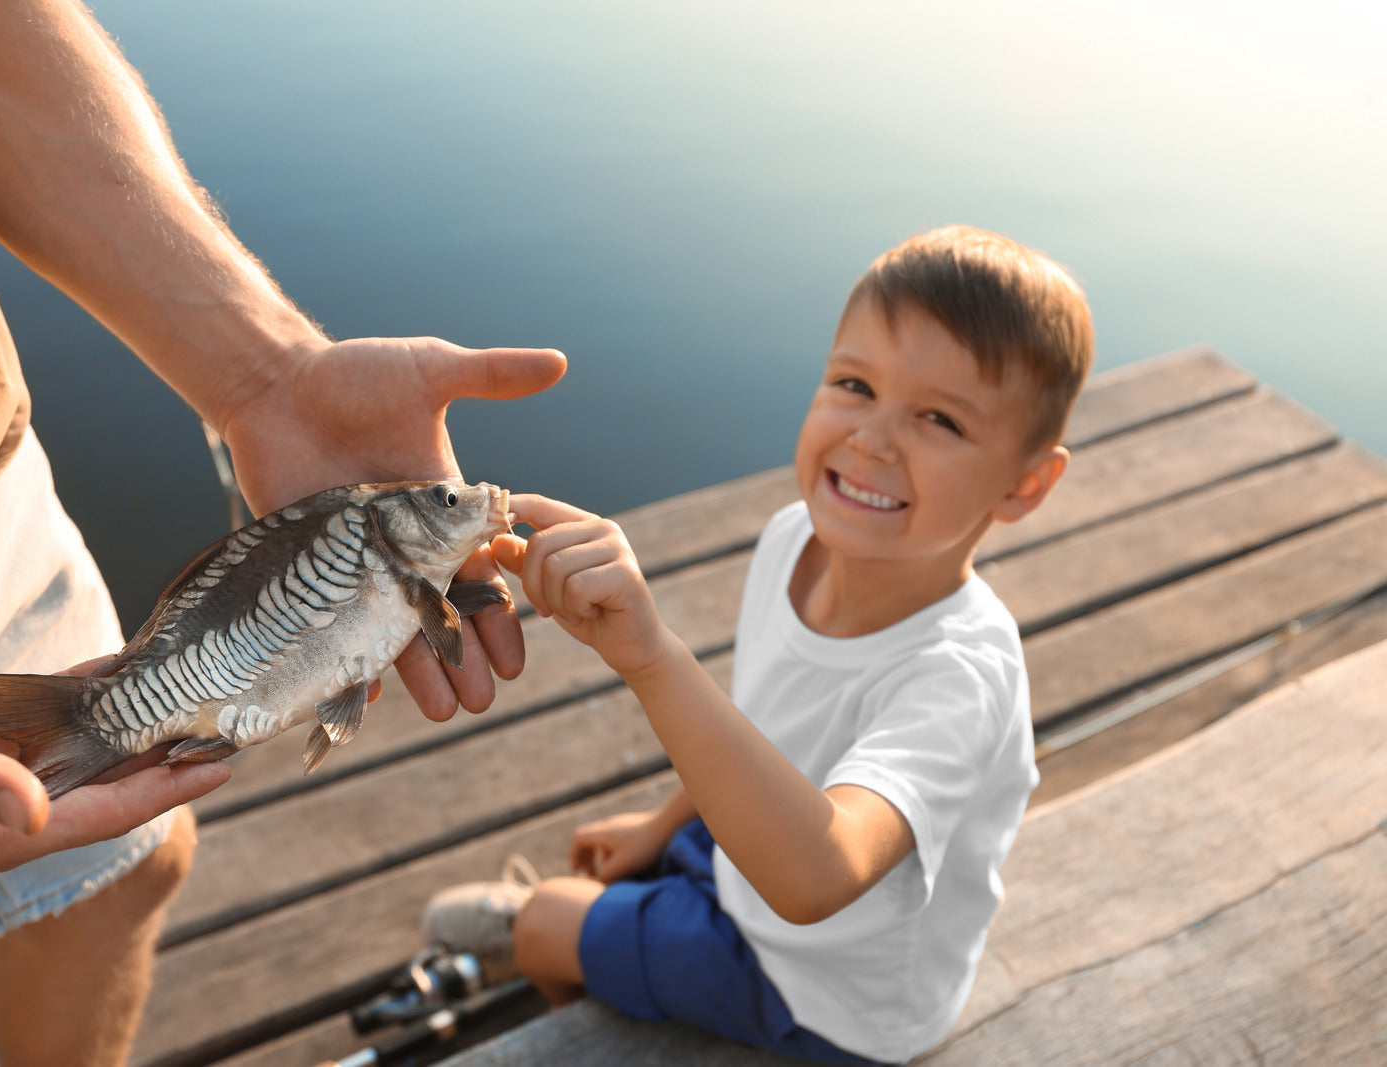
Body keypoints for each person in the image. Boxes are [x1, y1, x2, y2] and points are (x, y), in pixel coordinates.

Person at [0, 2, 565, 1065]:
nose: (464, 502)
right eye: (439, 509)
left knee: (117, 870)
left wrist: (262, 375)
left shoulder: (388, 559)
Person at [423, 226, 1092, 1064]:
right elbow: (771, 725)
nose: (873, 440)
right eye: (854, 384)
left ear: (1024, 483)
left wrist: (651, 656)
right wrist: (667, 824)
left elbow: (820, 878)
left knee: (551, 920)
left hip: (827, 994)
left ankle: (580, 1002)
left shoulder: (960, 677)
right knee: (609, 867)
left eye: (941, 419)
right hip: (763, 864)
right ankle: (622, 947)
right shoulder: (794, 539)